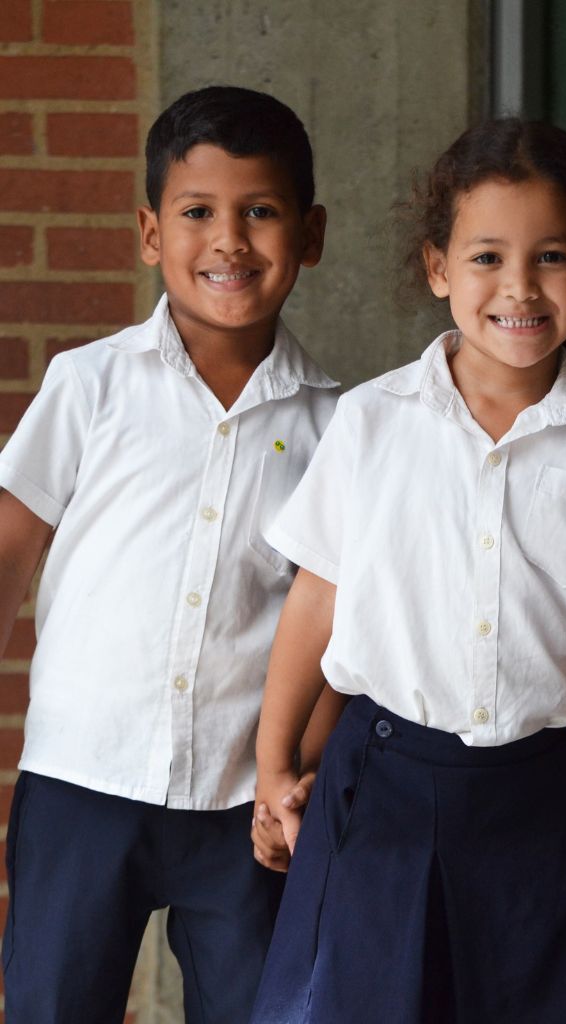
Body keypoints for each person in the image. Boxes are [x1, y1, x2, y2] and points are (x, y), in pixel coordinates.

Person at [248, 118, 566, 1024]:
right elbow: (318, 597)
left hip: (533, 801)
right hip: (378, 790)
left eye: (549, 258)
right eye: (488, 258)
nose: (519, 289)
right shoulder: (375, 422)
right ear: (438, 269)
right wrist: (272, 765)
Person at [0, 85, 341, 1022]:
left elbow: (338, 622)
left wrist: (297, 772)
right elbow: (9, 551)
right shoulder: (90, 385)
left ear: (309, 234)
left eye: (260, 213)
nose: (229, 241)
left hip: (245, 805)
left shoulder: (341, 429)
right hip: (82, 778)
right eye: (198, 213)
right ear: (153, 233)